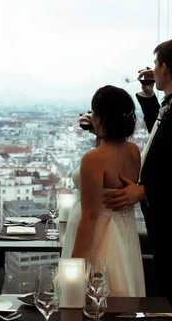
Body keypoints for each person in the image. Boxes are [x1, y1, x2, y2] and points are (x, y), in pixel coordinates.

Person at [102, 38, 172, 321]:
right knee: (171, 290)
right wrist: (148, 94)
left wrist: (144, 191)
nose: (152, 69)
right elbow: (165, 136)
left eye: (155, 64)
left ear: (163, 68)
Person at [60, 85, 145, 297]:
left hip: (96, 236)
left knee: (88, 299)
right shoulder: (133, 151)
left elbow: (90, 216)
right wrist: (99, 132)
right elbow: (109, 154)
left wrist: (75, 265)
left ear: (99, 118)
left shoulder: (93, 158)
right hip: (123, 233)